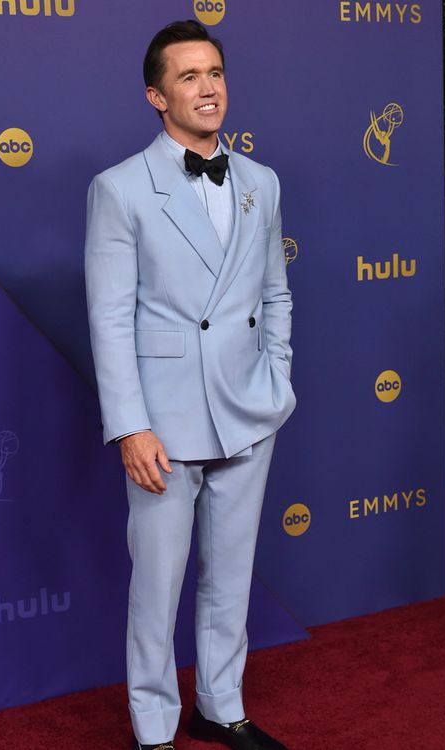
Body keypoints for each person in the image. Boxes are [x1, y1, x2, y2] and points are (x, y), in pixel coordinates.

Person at [84, 19, 295, 750]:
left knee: (229, 577)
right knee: (157, 586)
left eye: (214, 73)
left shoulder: (260, 183)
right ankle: (153, 728)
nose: (206, 89)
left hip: (249, 411)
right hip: (164, 424)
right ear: (155, 95)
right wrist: (129, 425)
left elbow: (275, 293)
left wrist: (277, 378)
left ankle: (221, 704)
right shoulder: (119, 188)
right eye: (187, 77)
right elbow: (109, 319)